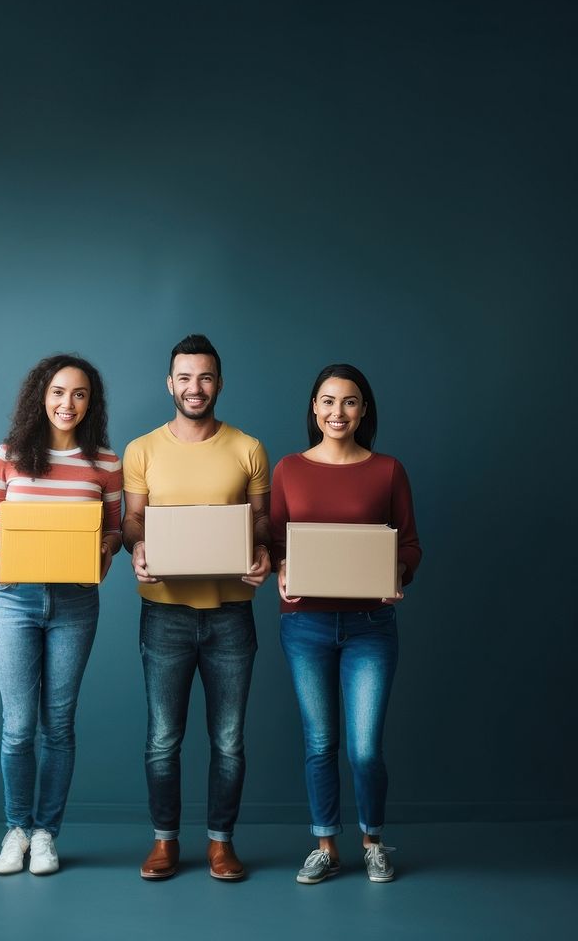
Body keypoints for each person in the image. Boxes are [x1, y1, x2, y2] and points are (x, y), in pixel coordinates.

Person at [121, 334, 272, 881]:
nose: (195, 388)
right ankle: (164, 842)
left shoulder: (248, 447)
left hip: (232, 611)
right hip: (165, 612)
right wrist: (136, 545)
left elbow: (262, 521)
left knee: (228, 740)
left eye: (205, 377)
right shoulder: (141, 450)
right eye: (185, 377)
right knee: (163, 738)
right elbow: (132, 520)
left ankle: (220, 842)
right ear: (170, 383)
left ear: (219, 384)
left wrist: (261, 551)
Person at [270, 363, 421, 886]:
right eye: (329, 401)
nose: (339, 412)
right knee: (319, 742)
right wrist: (281, 568)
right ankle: (326, 846)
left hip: (371, 625)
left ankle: (373, 841)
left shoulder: (388, 470)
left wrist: (397, 572)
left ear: (364, 411)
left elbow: (408, 543)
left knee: (365, 747)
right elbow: (274, 543)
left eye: (350, 402)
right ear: (314, 408)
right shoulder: (288, 468)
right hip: (305, 624)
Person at [0, 354, 122, 876]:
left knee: (58, 724)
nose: (68, 403)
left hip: (75, 602)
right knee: (18, 727)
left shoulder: (105, 462)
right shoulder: (10, 454)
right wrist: (0, 554)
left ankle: (46, 834)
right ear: (42, 395)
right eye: (59, 392)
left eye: (80, 394)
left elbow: (114, 530)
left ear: (91, 403)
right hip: (14, 598)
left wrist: (104, 553)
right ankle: (16, 829)